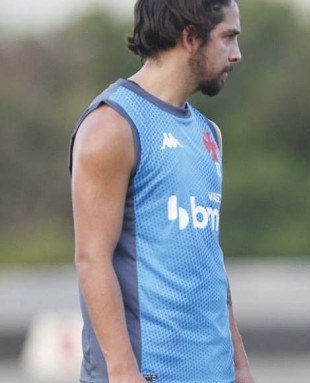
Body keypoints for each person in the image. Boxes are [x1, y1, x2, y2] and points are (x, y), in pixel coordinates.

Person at [69, 0, 253, 382]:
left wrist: (239, 365)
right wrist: (122, 371)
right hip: (148, 373)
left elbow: (208, 261)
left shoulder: (209, 134)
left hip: (212, 372)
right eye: (228, 38)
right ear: (190, 37)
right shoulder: (112, 127)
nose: (237, 54)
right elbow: (92, 259)